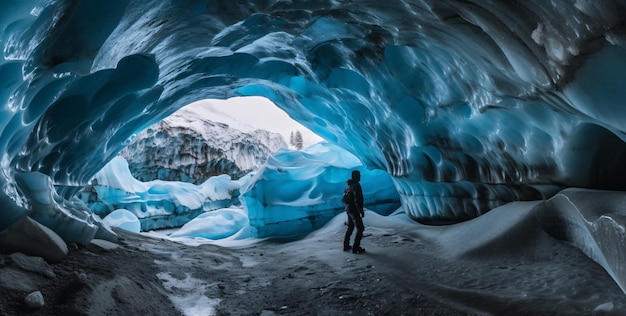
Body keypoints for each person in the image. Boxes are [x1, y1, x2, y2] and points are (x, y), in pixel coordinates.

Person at [343, 170, 365, 253]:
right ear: (355, 176)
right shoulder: (356, 185)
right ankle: (356, 247)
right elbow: (357, 199)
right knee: (360, 228)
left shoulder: (348, 186)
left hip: (348, 209)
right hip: (354, 210)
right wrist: (360, 210)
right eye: (359, 175)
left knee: (351, 227)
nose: (360, 176)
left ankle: (346, 245)